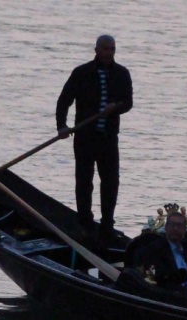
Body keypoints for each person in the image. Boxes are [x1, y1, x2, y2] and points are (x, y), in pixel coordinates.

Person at [56, 35, 133, 239]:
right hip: (84, 137)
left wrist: (115, 107)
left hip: (108, 139)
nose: (109, 53)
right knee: (84, 180)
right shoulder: (82, 73)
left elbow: (128, 102)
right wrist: (61, 126)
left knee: (110, 181)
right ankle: (85, 222)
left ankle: (107, 224)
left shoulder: (122, 74)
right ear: (96, 50)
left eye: (112, 49)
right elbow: (64, 100)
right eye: (105, 49)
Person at [125, 210, 187, 290]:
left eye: (179, 225)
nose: (175, 228)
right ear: (166, 227)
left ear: (185, 229)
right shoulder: (155, 249)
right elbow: (158, 278)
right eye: (172, 225)